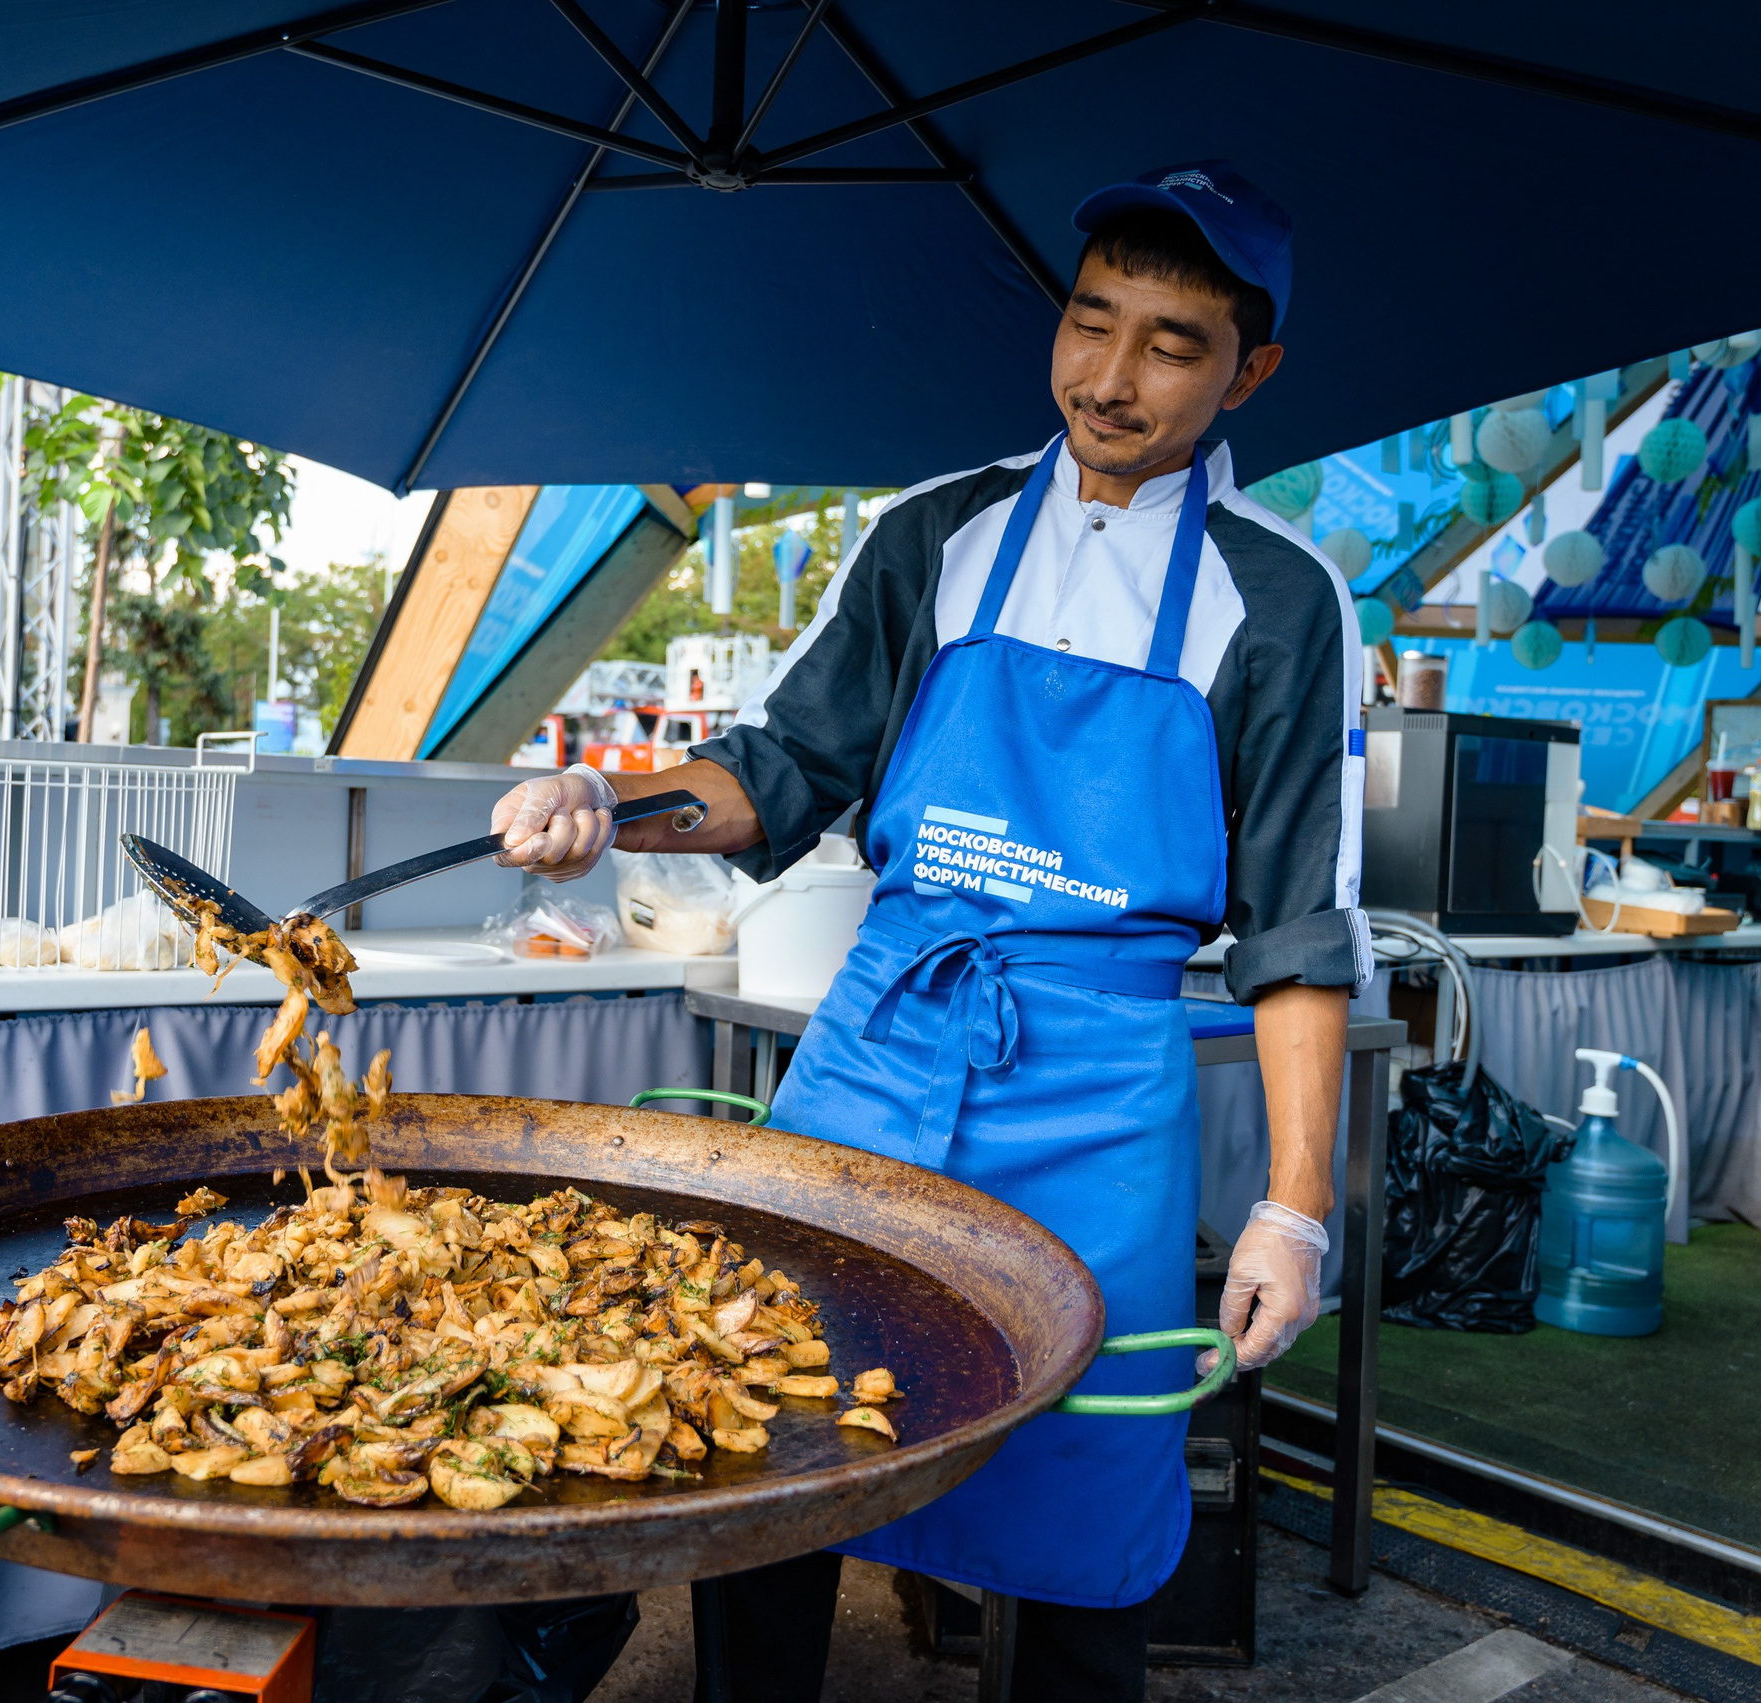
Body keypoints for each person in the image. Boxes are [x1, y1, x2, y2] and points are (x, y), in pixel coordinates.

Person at [488, 160, 1364, 1702]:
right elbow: (776, 774)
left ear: (1252, 370)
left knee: (1091, 1481)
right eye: (1091, 321)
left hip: (1098, 1087)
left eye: (1170, 342)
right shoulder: (935, 534)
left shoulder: (1282, 599)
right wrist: (610, 807)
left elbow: (1299, 929)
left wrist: (1297, 1209)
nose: (1110, 375)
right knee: (776, 1427)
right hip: (884, 1044)